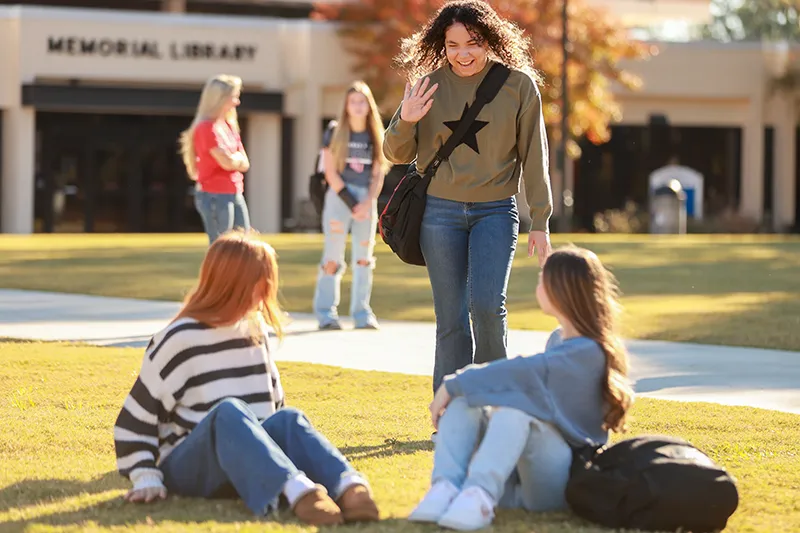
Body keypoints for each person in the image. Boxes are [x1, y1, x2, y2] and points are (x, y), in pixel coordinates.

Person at [113, 230, 380, 526]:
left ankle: (350, 487)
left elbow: (275, 410)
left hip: (247, 464)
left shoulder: (254, 331)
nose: (267, 292)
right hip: (190, 470)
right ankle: (299, 492)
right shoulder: (179, 338)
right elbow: (133, 421)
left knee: (290, 419)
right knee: (229, 410)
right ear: (233, 285)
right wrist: (145, 476)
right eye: (261, 283)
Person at [383, 0, 554, 394]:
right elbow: (394, 154)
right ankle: (449, 408)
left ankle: (494, 399)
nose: (463, 54)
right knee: (451, 319)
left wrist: (541, 220)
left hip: (495, 211)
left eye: (473, 43)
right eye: (453, 44)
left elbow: (535, 155)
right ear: (442, 45)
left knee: (488, 309)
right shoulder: (427, 84)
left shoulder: (518, 86)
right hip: (438, 215)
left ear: (489, 41)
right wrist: (406, 119)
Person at [409, 247, 634, 531]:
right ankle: (445, 488)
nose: (538, 286)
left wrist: (456, 381)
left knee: (513, 410)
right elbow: (528, 382)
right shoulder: (558, 340)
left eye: (543, 280)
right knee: (466, 400)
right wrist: (460, 389)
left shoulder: (590, 351)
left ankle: (479, 495)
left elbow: (527, 371)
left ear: (561, 290)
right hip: (518, 485)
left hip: (561, 480)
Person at [313, 81, 390, 330]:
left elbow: (378, 173)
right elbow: (329, 172)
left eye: (362, 101)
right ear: (346, 106)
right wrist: (351, 202)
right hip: (339, 197)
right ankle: (326, 313)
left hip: (366, 199)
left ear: (369, 105)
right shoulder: (335, 132)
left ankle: (362, 313)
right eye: (353, 102)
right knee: (332, 257)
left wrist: (367, 202)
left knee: (364, 258)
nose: (358, 106)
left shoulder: (377, 134)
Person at [179, 74, 252, 244]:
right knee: (221, 248)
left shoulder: (228, 125)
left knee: (244, 245)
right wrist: (234, 160)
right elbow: (226, 162)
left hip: (235, 192)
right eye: (234, 97)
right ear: (220, 99)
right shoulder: (206, 128)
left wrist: (232, 159)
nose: (237, 102)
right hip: (215, 195)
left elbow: (244, 163)